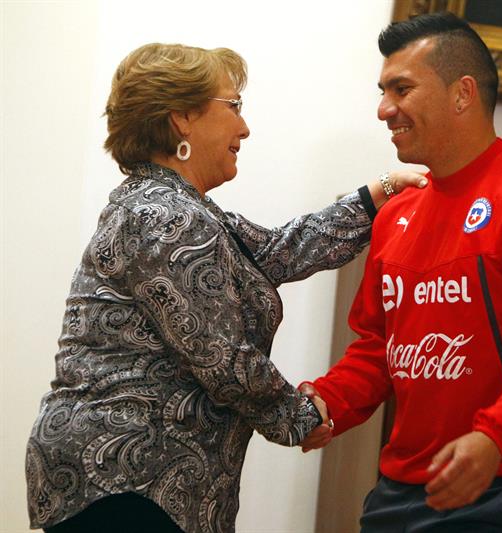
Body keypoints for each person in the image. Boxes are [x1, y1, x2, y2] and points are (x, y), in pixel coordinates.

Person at [24, 42, 427, 533]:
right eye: (233, 106)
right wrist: (301, 416)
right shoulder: (165, 217)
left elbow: (280, 250)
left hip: (134, 482)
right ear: (181, 119)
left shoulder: (178, 208)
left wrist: (377, 194)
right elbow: (224, 359)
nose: (244, 127)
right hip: (127, 482)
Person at [300, 13, 502, 532]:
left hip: (499, 493)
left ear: (463, 93)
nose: (385, 109)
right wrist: (326, 403)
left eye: (402, 89)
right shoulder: (396, 215)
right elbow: (374, 348)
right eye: (384, 91)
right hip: (399, 489)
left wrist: (495, 438)